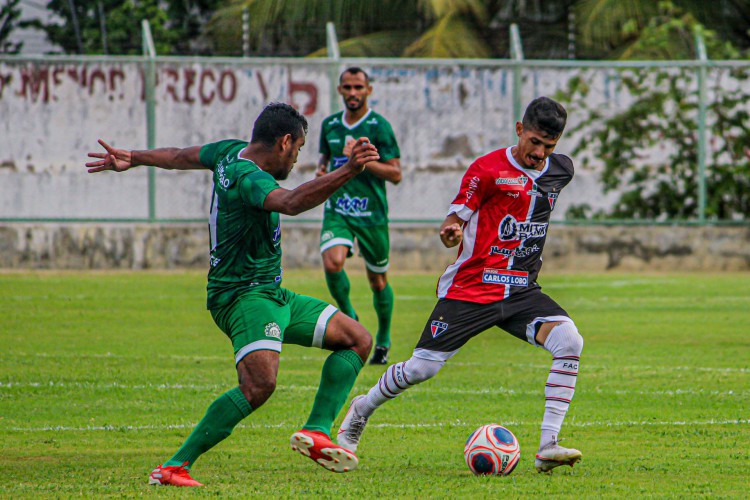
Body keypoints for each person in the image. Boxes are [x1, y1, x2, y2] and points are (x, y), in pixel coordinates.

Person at [86, 103, 381, 486]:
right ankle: (173, 467)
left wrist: (134, 157)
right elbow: (290, 203)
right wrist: (349, 170)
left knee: (356, 339)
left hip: (271, 293)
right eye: (298, 150)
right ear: (284, 142)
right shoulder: (249, 176)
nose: (296, 159)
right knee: (259, 385)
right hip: (243, 296)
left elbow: (179, 156)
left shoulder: (228, 152)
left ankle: (316, 431)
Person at [336, 97, 585, 473]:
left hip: (520, 290)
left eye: (549, 146)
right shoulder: (486, 170)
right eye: (534, 142)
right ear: (520, 130)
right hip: (472, 289)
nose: (540, 153)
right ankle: (362, 408)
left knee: (570, 340)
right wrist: (451, 232)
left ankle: (548, 444)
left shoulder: (560, 170)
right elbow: (454, 218)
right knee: (422, 369)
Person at [316, 67, 402, 365]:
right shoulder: (329, 126)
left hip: (371, 213)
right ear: (339, 90)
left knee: (378, 280)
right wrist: (322, 172)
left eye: (358, 87)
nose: (353, 93)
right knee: (332, 261)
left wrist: (362, 161)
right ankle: (349, 316)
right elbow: (325, 162)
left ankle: (384, 339)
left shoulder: (379, 126)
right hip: (338, 208)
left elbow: (395, 173)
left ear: (368, 91)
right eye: (348, 87)